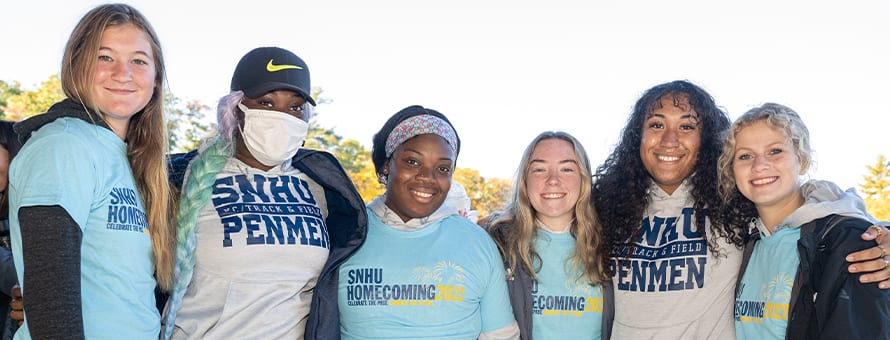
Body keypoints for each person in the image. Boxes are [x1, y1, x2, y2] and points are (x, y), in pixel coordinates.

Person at [590, 80, 890, 339]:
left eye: (686, 126)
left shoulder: (732, 206)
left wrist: (881, 236)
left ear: (706, 139)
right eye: (656, 124)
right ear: (636, 137)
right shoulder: (605, 209)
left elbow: (811, 207)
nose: (670, 139)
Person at [162, 46, 367, 339]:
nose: (283, 117)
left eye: (295, 107)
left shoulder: (322, 185)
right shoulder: (183, 179)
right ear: (236, 109)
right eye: (267, 103)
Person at [8, 3, 174, 339]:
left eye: (139, 61)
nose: (122, 73)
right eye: (105, 57)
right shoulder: (64, 145)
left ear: (156, 79)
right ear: (76, 65)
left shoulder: (130, 159)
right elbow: (49, 293)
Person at [328, 105, 519, 339]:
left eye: (442, 168)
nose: (428, 178)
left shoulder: (477, 243)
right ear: (387, 164)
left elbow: (501, 335)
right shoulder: (345, 234)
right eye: (413, 162)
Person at [716, 103, 890, 339]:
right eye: (745, 156)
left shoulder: (845, 242)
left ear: (803, 160)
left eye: (775, 151)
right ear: (732, 170)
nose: (759, 165)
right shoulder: (743, 242)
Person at [487, 131, 613, 340]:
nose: (553, 180)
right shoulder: (497, 244)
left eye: (566, 169)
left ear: (583, 179)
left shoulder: (611, 242)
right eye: (539, 169)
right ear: (524, 181)